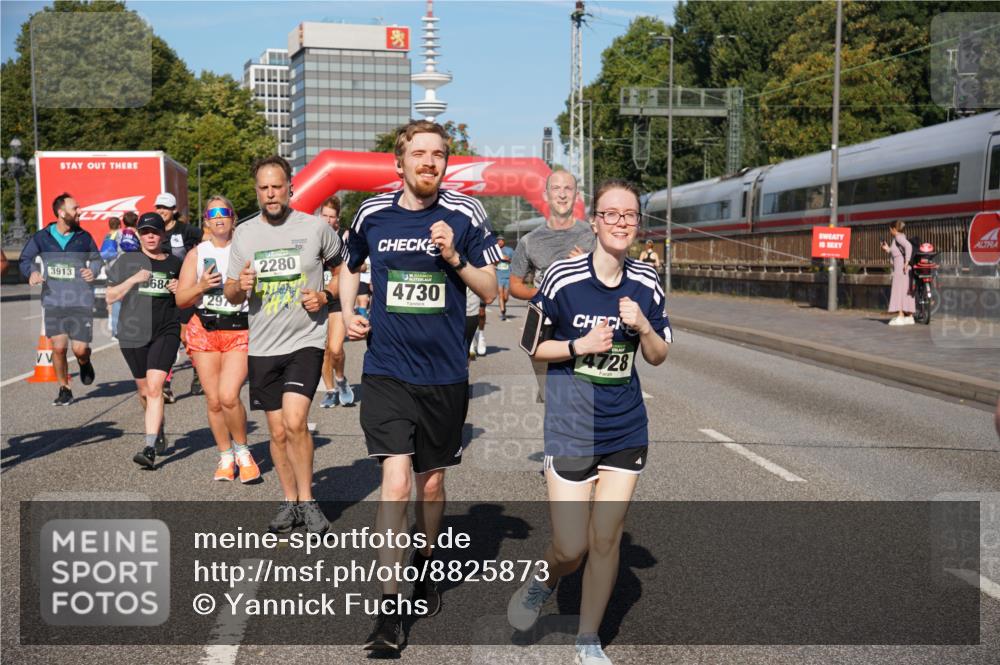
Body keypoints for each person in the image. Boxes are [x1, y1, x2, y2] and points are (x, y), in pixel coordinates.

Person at [339, 120, 500, 652]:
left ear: (445, 163)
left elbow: (492, 288)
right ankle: (388, 611)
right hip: (387, 369)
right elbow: (348, 265)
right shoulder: (371, 213)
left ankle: (427, 559)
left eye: (438, 155)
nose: (429, 162)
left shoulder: (465, 214)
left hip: (445, 374)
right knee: (396, 481)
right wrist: (348, 313)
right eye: (419, 154)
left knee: (430, 485)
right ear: (399, 162)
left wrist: (455, 257)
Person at [507, 179, 670, 665]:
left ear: (637, 224)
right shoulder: (562, 277)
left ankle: (587, 640)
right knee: (571, 546)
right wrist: (580, 346)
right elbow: (532, 345)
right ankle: (545, 579)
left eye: (630, 215)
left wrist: (642, 327)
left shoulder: (646, 282)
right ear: (595, 221)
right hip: (571, 426)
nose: (621, 223)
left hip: (625, 427)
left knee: (606, 538)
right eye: (611, 214)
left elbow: (659, 356)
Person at [224, 155, 342, 534]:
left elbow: (343, 270)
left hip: (305, 340)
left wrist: (325, 296)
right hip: (262, 345)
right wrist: (238, 288)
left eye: (277, 186)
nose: (271, 194)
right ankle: (289, 500)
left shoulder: (315, 229)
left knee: (295, 422)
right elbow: (230, 293)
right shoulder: (244, 234)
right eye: (264, 188)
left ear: (291, 187)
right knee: (276, 433)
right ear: (256, 191)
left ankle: (308, 501)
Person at [175, 196, 260, 483]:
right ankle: (226, 456)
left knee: (228, 395)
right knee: (213, 401)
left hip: (239, 330)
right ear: (207, 221)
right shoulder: (197, 253)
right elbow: (181, 299)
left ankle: (243, 451)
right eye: (213, 214)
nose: (219, 218)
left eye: (225, 212)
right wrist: (200, 286)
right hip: (205, 330)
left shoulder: (247, 248)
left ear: (234, 218)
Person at [509, 170, 595, 402]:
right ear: (546, 195)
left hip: (585, 322)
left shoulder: (592, 235)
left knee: (588, 396)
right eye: (556, 188)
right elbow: (514, 286)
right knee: (553, 398)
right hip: (544, 327)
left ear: (576, 195)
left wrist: (587, 264)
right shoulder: (530, 240)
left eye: (568, 188)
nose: (562, 194)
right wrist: (543, 295)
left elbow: (612, 275)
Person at [107, 212, 181, 468]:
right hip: (132, 333)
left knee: (154, 387)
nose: (150, 236)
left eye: (155, 231)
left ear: (162, 234)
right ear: (138, 235)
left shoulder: (175, 262)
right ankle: (158, 428)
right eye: (145, 232)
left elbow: (187, 298)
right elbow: (109, 296)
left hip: (166, 330)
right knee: (143, 391)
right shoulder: (127, 262)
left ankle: (148, 447)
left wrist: (179, 289)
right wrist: (133, 279)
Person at [19, 193, 102, 405]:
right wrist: (32, 272)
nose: (80, 211)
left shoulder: (84, 237)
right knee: (58, 348)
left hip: (80, 300)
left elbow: (96, 259)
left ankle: (84, 362)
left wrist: (92, 270)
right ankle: (64, 387)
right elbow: (26, 258)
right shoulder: (42, 237)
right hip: (54, 300)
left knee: (79, 349)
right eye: (75, 208)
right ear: (61, 213)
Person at [155, 192, 203, 400]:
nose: (161, 211)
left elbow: (206, 242)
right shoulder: (153, 231)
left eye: (165, 208)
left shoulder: (186, 230)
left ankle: (198, 371)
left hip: (184, 290)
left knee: (184, 337)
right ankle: (164, 384)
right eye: (158, 207)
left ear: (174, 210)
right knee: (164, 338)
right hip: (161, 293)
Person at [318, 196, 355, 409]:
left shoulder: (344, 236)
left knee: (335, 348)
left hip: (339, 298)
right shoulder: (311, 236)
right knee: (323, 350)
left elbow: (355, 262)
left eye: (332, 217)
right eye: (324, 215)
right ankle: (330, 390)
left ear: (337, 220)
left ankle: (340, 379)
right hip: (318, 297)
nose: (328, 220)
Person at [880, 220, 915, 326]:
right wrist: (888, 249)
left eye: (890, 229)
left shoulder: (898, 237)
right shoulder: (900, 237)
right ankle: (909, 316)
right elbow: (897, 252)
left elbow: (908, 246)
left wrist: (907, 261)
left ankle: (900, 316)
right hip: (903, 269)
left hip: (901, 269)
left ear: (894, 229)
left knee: (898, 291)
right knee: (905, 292)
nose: (890, 231)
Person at [495, 235, 515, 320]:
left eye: (501, 240)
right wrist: (497, 260)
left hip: (508, 275)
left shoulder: (509, 250)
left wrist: (508, 259)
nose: (500, 242)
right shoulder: (494, 251)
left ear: (504, 241)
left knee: (505, 297)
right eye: (498, 241)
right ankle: (503, 312)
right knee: (500, 294)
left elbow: (515, 261)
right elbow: (491, 262)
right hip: (498, 275)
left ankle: (504, 304)